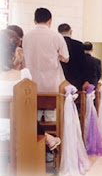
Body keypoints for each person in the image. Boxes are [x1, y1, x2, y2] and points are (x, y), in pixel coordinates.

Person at [0, 29, 61, 160]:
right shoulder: (23, 75)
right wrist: (21, 62)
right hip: (14, 129)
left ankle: (47, 138)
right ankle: (47, 138)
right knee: (28, 114)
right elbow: (29, 106)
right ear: (14, 53)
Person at [22, 7, 69, 93]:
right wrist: (59, 56)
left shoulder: (26, 36)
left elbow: (24, 57)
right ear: (50, 20)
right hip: (52, 82)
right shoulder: (56, 36)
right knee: (53, 105)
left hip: (32, 81)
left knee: (32, 105)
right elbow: (66, 59)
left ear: (35, 21)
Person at [58, 23, 86, 90]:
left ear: (58, 32)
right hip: (75, 81)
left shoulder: (56, 44)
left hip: (59, 81)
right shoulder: (79, 45)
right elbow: (83, 64)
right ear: (71, 32)